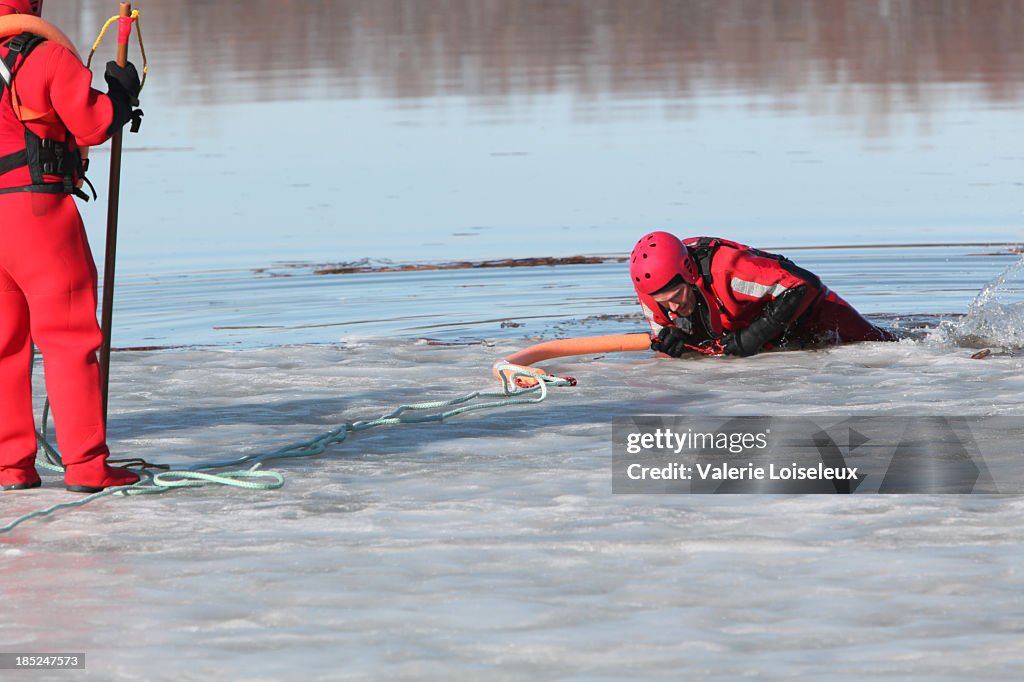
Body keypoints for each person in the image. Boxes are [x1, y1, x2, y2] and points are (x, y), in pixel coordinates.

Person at [0, 0, 143, 491]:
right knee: (68, 338)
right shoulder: (44, 56)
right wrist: (121, 96)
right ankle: (86, 466)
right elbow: (92, 124)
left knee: (3, 347)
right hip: (38, 217)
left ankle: (11, 466)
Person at [629, 231, 897, 358]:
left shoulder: (730, 269)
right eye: (664, 302)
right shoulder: (651, 290)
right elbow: (661, 333)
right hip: (751, 327)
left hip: (813, 311)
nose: (673, 308)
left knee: (883, 348)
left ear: (689, 273)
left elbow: (805, 284)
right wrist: (668, 341)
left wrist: (755, 335)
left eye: (676, 296)